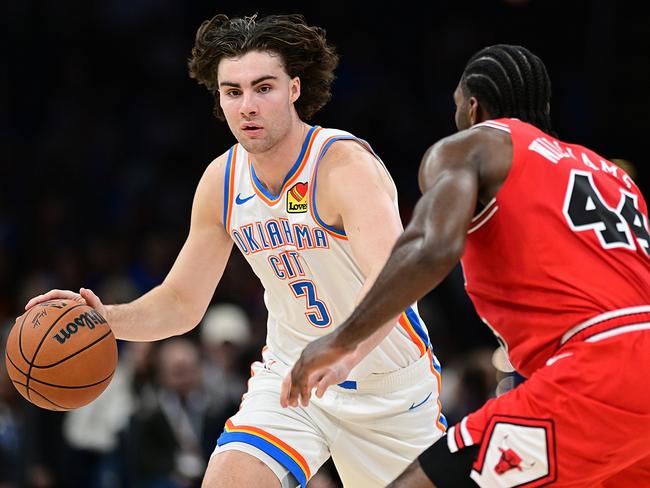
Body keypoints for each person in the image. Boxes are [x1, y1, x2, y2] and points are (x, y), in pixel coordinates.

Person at [25, 13, 446, 488]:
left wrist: (343, 348)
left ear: (294, 88)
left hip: (387, 386)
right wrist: (104, 320)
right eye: (232, 92)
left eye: (263, 88)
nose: (247, 105)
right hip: (292, 376)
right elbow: (182, 303)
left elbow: (396, 278)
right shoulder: (222, 182)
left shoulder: (343, 165)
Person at [282, 44, 650, 487]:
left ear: (473, 108)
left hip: (597, 366)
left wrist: (342, 339)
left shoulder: (476, 145)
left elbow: (429, 247)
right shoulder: (613, 176)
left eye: (457, 107)